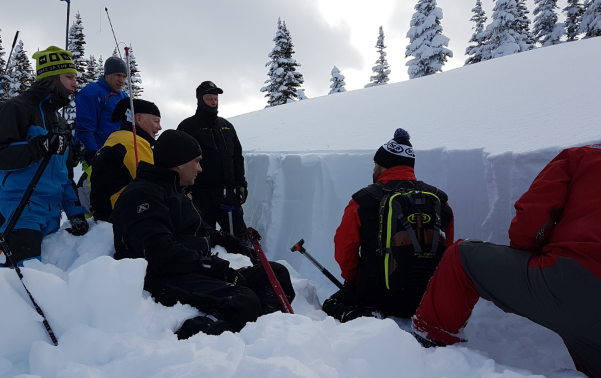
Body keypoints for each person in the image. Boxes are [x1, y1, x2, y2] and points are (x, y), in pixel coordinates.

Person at [411, 144, 601, 378]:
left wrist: (527, 254)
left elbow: (534, 214)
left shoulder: (582, 156)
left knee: (461, 256)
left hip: (572, 280)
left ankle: (428, 347)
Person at [110, 130, 295, 339]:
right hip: (163, 277)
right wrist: (211, 266)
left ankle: (259, 328)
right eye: (196, 162)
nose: (200, 168)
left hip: (192, 268)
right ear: (179, 163)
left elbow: (202, 230)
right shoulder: (143, 194)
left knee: (275, 273)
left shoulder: (173, 190)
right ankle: (185, 339)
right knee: (242, 300)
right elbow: (158, 252)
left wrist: (236, 245)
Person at [323, 128, 454, 322]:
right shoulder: (439, 201)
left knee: (330, 305)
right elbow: (447, 249)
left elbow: (343, 250)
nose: (374, 169)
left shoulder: (363, 201)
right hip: (424, 298)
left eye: (375, 164)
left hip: (376, 297)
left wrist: (354, 281)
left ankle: (363, 315)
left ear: (382, 166)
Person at [0, 46, 89, 267]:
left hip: (50, 214)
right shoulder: (16, 108)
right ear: (51, 78)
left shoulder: (58, 121)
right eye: (69, 77)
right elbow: (0, 157)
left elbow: (63, 176)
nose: (75, 84)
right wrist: (40, 145)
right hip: (19, 208)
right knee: (25, 282)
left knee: (48, 277)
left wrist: (75, 212)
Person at [177, 81, 248, 239]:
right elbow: (178, 160)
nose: (213, 102)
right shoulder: (188, 126)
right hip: (200, 194)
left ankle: (246, 262)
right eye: (209, 98)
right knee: (203, 237)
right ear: (200, 100)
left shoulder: (226, 126)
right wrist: (183, 189)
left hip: (227, 193)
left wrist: (240, 183)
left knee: (239, 236)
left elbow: (237, 157)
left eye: (215, 98)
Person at [89, 98, 161, 222]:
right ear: (138, 118)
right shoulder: (134, 143)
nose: (159, 127)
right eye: (156, 121)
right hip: (124, 216)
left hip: (104, 214)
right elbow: (151, 184)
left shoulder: (115, 140)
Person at [74, 56, 129, 157]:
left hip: (120, 157)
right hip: (98, 154)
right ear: (107, 75)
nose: (121, 80)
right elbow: (85, 128)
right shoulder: (91, 92)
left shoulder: (124, 97)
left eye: (124, 77)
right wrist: (93, 155)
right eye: (118, 75)